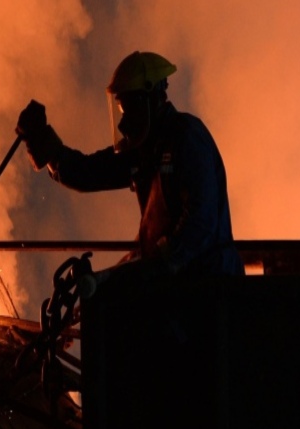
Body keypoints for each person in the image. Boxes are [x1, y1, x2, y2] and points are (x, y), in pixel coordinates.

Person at [16, 51, 244, 278]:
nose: (123, 124)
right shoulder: (143, 150)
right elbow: (89, 172)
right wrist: (40, 141)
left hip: (211, 285)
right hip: (179, 283)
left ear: (151, 99)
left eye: (128, 111)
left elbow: (200, 221)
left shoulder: (187, 138)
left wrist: (157, 265)